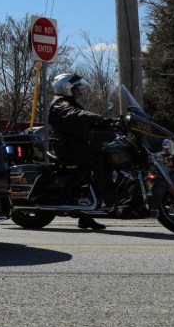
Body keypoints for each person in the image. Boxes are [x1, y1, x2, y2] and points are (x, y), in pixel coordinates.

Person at [48, 72, 121, 231]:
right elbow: (77, 115)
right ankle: (109, 196)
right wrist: (98, 117)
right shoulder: (60, 104)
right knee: (97, 154)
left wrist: (113, 124)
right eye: (76, 88)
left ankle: (86, 216)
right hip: (67, 148)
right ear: (67, 88)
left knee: (106, 150)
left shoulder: (71, 102)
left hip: (77, 146)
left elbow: (88, 124)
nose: (79, 91)